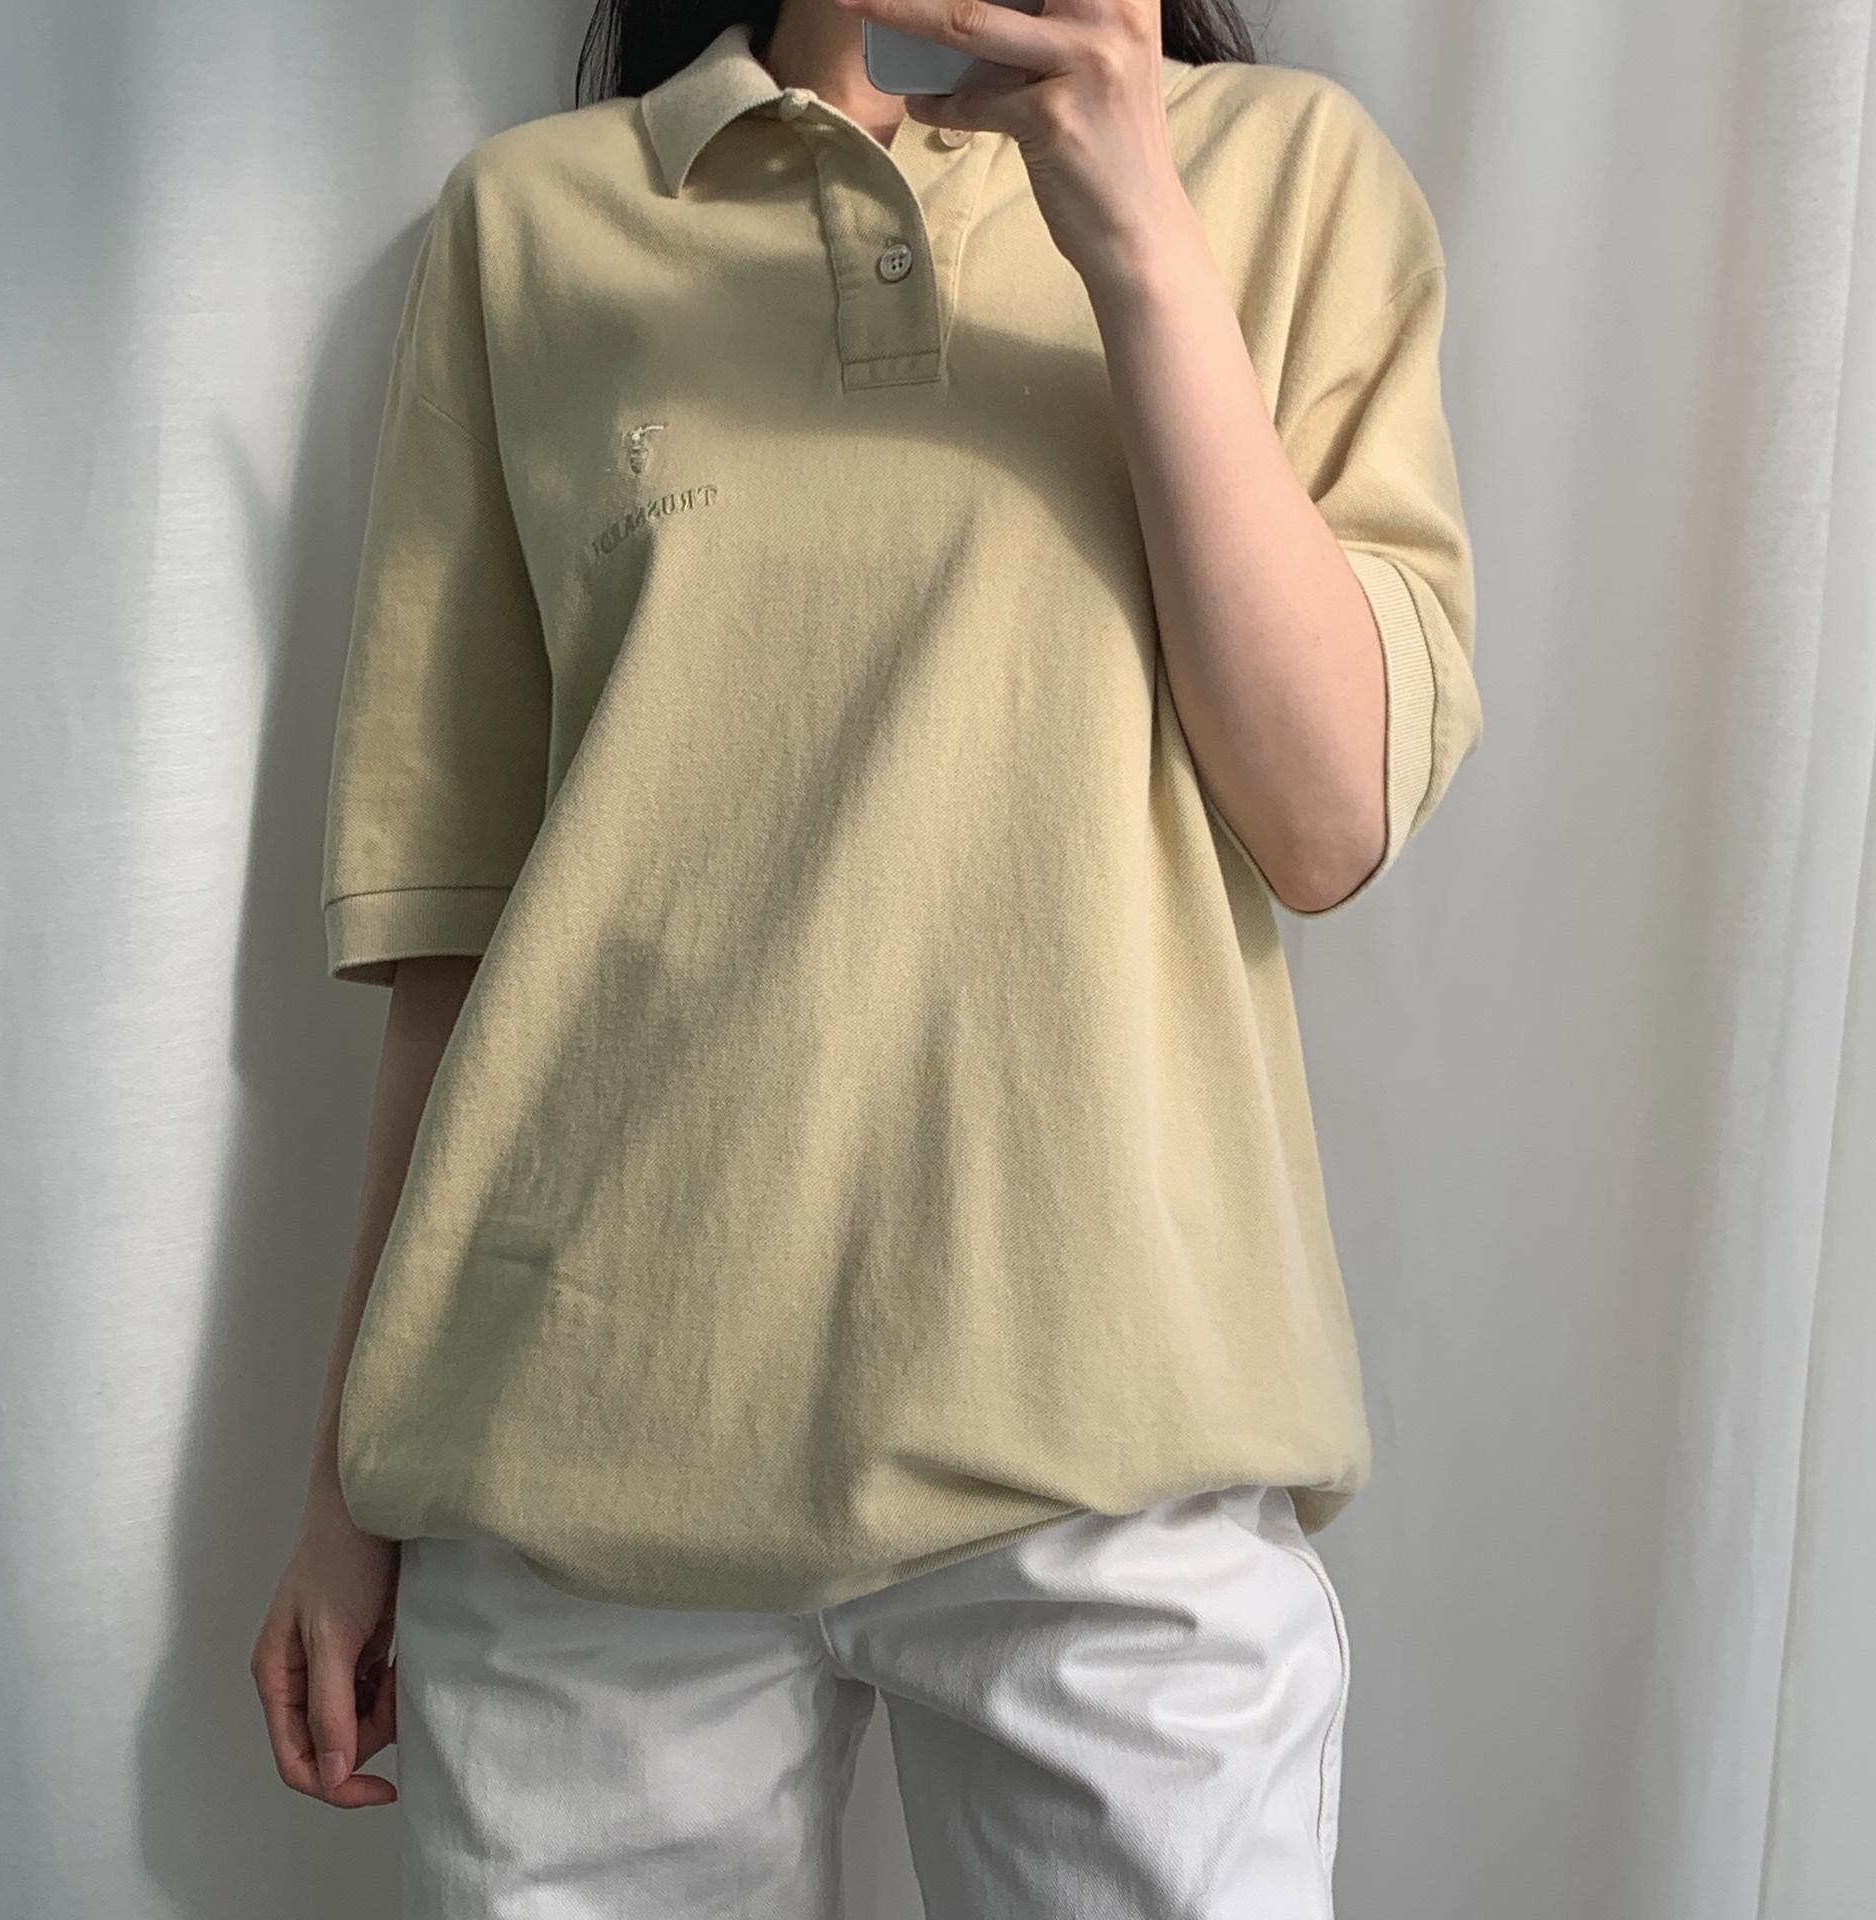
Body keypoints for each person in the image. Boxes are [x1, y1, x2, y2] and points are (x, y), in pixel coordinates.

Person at [250, 0, 1483, 1909]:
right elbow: (455, 924)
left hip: (1115, 1447)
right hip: (573, 1468)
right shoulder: (532, 225)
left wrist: (1135, 225)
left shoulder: (1284, 175)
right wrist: (349, 1485)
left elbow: (1327, 817)